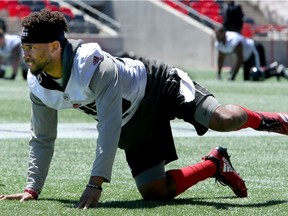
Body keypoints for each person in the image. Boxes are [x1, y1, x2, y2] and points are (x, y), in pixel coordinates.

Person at [1, 10, 288, 209]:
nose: (24, 53)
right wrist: (32, 188)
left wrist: (95, 183)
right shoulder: (37, 82)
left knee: (222, 118)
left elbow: (109, 124)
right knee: (154, 191)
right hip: (133, 120)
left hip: (158, 85)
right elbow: (42, 137)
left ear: (53, 47)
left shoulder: (92, 62)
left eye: (31, 47)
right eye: (24, 46)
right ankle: (216, 165)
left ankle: (278, 120)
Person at [215, 26, 285, 81]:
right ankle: (274, 68)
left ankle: (277, 71)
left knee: (256, 75)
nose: (217, 36)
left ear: (223, 33)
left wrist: (233, 75)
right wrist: (219, 74)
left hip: (254, 50)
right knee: (248, 79)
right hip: (247, 57)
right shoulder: (219, 43)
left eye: (218, 34)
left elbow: (240, 58)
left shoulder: (233, 39)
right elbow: (221, 58)